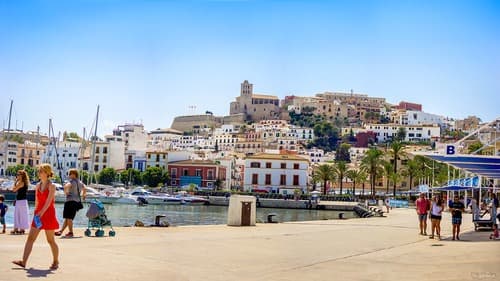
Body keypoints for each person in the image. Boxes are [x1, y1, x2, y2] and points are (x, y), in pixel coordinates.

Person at [12, 163, 59, 270]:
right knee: (30, 238)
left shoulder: (52, 186)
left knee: (50, 240)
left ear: (47, 173)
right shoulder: (38, 186)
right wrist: (36, 212)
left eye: (41, 171)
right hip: (38, 215)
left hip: (48, 215)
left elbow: (49, 201)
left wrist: (41, 212)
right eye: (39, 171)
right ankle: (23, 262)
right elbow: (37, 201)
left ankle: (56, 261)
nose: (39, 173)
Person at [55, 169, 86, 238]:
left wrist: (66, 192)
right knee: (68, 218)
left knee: (69, 218)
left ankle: (70, 232)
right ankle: (61, 231)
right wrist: (84, 195)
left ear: (74, 174)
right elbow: (85, 188)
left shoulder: (72, 181)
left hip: (70, 201)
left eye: (69, 174)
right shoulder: (80, 182)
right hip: (76, 202)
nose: (69, 176)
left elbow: (66, 186)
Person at [11, 170, 30, 235]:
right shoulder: (24, 182)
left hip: (21, 201)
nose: (17, 175)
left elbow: (14, 190)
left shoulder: (21, 183)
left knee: (18, 215)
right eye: (17, 174)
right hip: (22, 201)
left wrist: (15, 181)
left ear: (22, 176)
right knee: (22, 215)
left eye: (19, 174)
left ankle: (17, 229)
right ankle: (21, 229)